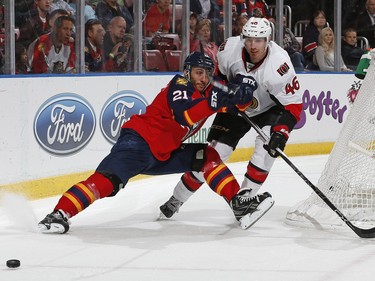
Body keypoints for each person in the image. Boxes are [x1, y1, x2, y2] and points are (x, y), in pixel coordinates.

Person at [38, 51, 258, 234]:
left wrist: (245, 93)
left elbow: (237, 105)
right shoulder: (179, 84)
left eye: (207, 74)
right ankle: (58, 215)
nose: (203, 78)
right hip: (139, 143)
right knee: (107, 181)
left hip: (165, 153)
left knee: (206, 156)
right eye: (198, 73)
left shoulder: (210, 90)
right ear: (187, 72)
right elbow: (186, 115)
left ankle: (237, 204)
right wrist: (216, 102)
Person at [159, 17, 303, 226]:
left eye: (259, 40)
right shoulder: (229, 49)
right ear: (243, 38)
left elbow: (293, 106)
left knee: (265, 151)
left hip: (270, 109)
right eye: (249, 39)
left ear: (268, 40)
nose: (253, 45)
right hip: (236, 105)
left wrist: (281, 133)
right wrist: (228, 95)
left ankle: (243, 200)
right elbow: (217, 79)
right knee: (212, 153)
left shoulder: (280, 65)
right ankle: (176, 198)